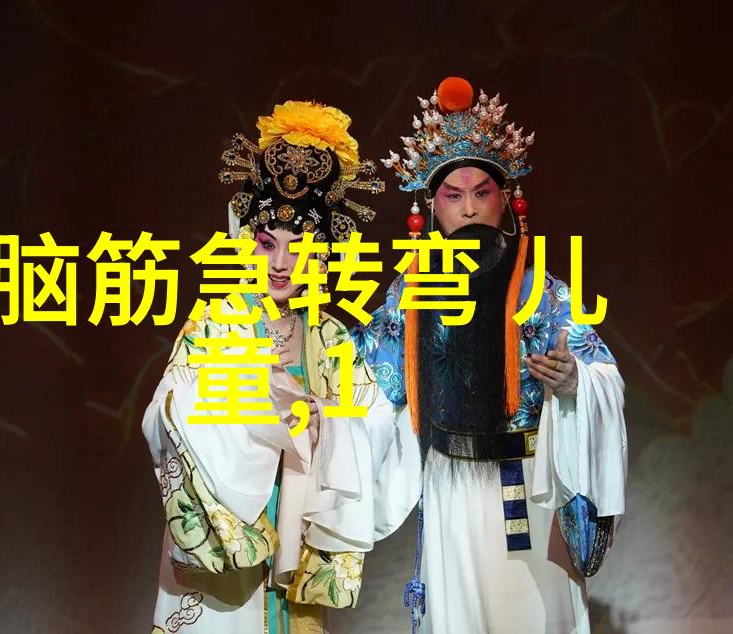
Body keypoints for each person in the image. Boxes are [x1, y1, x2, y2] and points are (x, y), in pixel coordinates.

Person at [352, 77, 628, 633]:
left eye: (482, 193)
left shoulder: (538, 291)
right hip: (451, 487)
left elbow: (602, 372)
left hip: (527, 485)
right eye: (454, 196)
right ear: (431, 206)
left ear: (506, 200)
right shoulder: (412, 292)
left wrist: (575, 381)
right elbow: (370, 385)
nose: (470, 210)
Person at [141, 100, 419, 633]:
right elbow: (162, 418)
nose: (281, 263)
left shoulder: (331, 337)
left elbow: (377, 423)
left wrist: (326, 422)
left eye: (299, 247)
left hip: (299, 536)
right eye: (268, 244)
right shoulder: (215, 324)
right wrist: (250, 400)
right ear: (246, 242)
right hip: (226, 542)